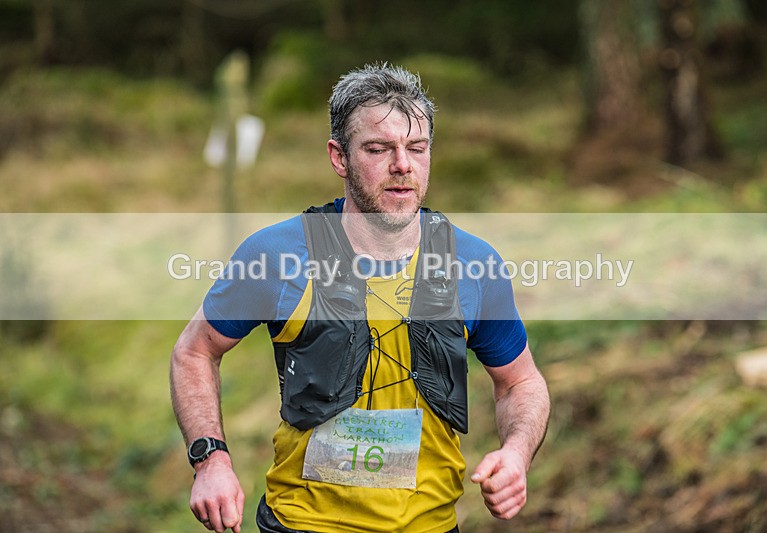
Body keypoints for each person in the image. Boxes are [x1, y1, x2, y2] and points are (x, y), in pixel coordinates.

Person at [170, 63, 550, 533]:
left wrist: (516, 454)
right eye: (378, 148)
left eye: (417, 148)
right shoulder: (278, 255)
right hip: (303, 524)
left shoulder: (472, 264)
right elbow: (194, 350)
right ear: (339, 157)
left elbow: (520, 383)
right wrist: (211, 461)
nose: (402, 166)